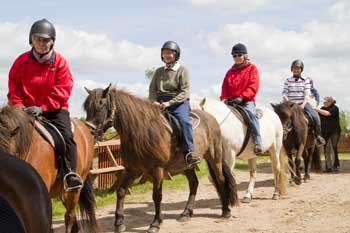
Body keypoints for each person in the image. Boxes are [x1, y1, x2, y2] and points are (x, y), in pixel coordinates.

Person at [7, 18, 82, 190]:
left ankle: (71, 173)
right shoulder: (20, 61)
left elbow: (64, 88)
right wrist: (19, 108)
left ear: (52, 42)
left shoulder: (60, 62)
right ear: (31, 40)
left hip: (54, 110)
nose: (41, 43)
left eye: (46, 40)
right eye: (38, 39)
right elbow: (14, 88)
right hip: (24, 110)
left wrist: (43, 107)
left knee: (67, 137)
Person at [148, 41, 201, 168]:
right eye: (164, 53)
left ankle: (189, 152)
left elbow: (184, 91)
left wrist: (169, 103)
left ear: (176, 55)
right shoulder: (159, 71)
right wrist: (153, 101)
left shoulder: (182, 71)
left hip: (178, 103)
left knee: (184, 122)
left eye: (169, 53)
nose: (166, 55)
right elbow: (152, 90)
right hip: (159, 103)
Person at [220, 43, 263, 154]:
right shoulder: (229, 72)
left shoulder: (252, 68)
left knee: (251, 114)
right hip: (231, 101)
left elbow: (253, 86)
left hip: (246, 101)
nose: (237, 58)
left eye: (239, 55)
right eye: (234, 56)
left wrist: (242, 97)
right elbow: (224, 87)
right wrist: (225, 98)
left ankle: (258, 141)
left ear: (245, 55)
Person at [282, 59, 325, 146]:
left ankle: (318, 137)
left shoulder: (306, 80)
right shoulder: (287, 80)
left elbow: (307, 94)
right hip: (290, 104)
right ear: (291, 69)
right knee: (281, 115)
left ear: (301, 69)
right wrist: (288, 101)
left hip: (302, 103)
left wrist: (303, 105)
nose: (296, 70)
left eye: (298, 68)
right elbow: (284, 93)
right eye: (294, 68)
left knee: (315, 118)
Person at [314, 96, 341, 172]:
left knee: (333, 148)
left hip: (334, 131)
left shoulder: (335, 108)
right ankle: (328, 167)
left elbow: (327, 114)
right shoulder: (322, 108)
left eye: (325, 102)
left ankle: (335, 166)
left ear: (330, 102)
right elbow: (318, 115)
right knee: (326, 150)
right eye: (324, 102)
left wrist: (316, 109)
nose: (324, 103)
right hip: (325, 132)